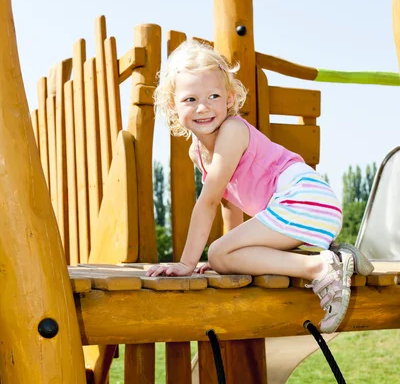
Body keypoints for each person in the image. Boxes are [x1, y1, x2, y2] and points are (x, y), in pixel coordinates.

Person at [147, 39, 373, 333]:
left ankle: (320, 267)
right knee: (222, 255)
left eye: (213, 96)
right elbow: (230, 203)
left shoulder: (232, 131)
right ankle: (341, 259)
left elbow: (210, 201)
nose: (203, 107)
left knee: (217, 253)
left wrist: (187, 264)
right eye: (190, 99)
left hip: (303, 199)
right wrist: (230, 258)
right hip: (310, 208)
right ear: (172, 106)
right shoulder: (197, 153)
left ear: (229, 98)